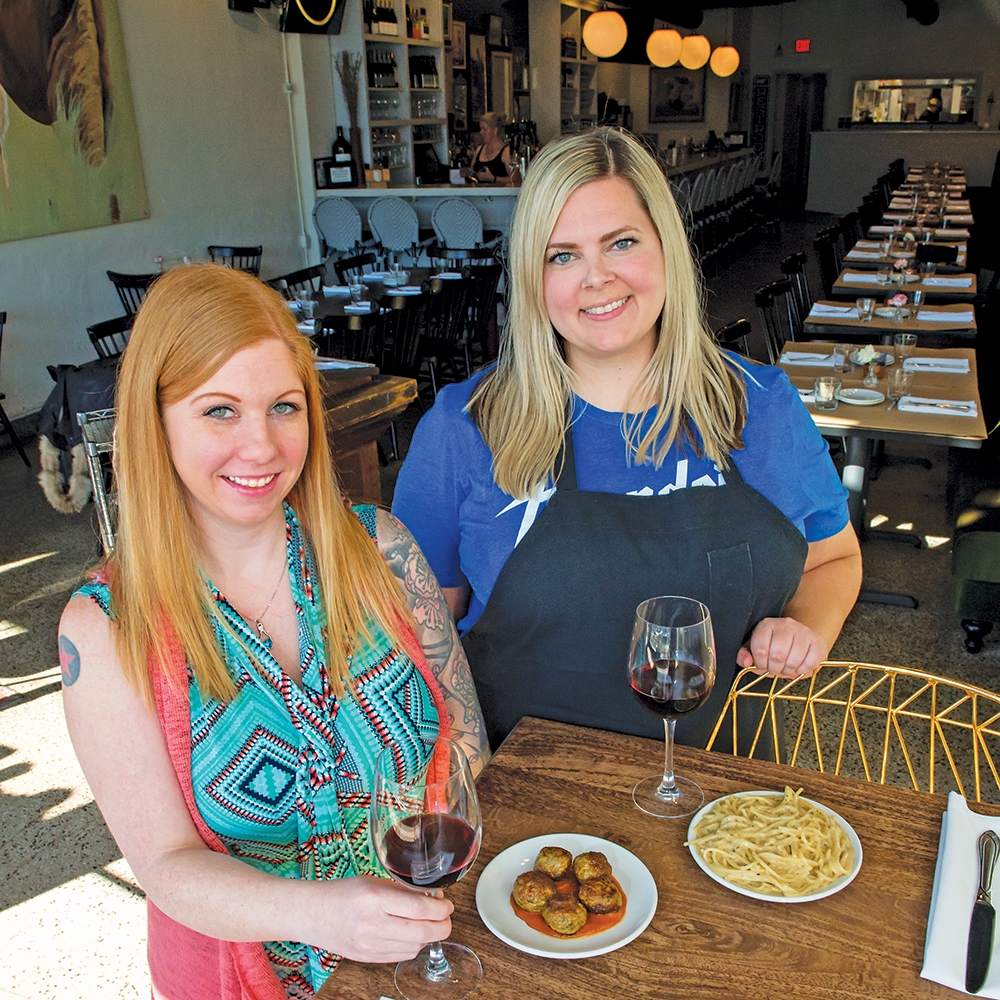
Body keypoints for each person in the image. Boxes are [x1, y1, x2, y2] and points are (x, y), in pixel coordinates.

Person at [58, 264, 489, 999]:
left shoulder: (381, 550)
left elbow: (468, 740)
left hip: (425, 949)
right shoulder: (104, 629)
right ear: (155, 422)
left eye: (283, 407)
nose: (260, 447)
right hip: (249, 982)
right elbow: (165, 865)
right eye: (219, 411)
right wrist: (325, 914)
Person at [392, 127, 862, 752]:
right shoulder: (464, 426)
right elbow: (419, 630)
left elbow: (834, 559)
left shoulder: (758, 405)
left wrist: (806, 626)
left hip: (726, 804)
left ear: (666, 247)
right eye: (562, 255)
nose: (597, 278)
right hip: (526, 810)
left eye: (621, 242)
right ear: (533, 279)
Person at [464, 111, 517, 186]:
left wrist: (493, 178)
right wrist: (467, 174)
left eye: (484, 129)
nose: (481, 132)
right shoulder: (479, 150)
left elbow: (515, 179)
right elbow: (473, 174)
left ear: (495, 130)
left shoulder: (506, 152)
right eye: (480, 129)